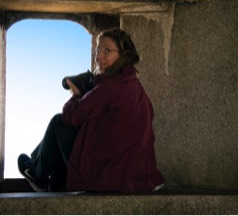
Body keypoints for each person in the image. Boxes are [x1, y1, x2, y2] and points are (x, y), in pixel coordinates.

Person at [18, 28, 165, 193]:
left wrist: (75, 94)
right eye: (98, 50)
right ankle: (54, 181)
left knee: (58, 123)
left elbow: (70, 116)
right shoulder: (135, 86)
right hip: (134, 174)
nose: (99, 56)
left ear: (123, 55)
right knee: (79, 133)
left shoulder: (110, 87)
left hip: (107, 176)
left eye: (107, 51)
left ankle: (38, 175)